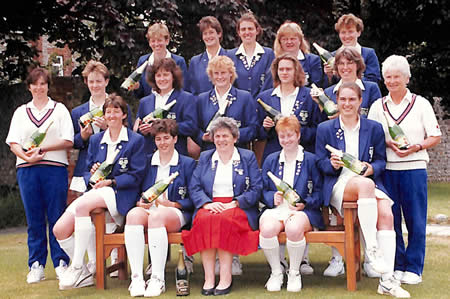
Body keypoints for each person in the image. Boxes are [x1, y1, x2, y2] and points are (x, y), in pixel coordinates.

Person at [316, 82, 410, 298]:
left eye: (352, 99)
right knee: (365, 185)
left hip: (366, 182)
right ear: (336, 102)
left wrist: (370, 168)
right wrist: (332, 164)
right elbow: (320, 164)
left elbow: (380, 162)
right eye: (342, 99)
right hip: (340, 184)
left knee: (386, 213)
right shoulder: (325, 129)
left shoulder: (374, 128)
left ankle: (387, 282)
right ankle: (372, 249)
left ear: (360, 102)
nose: (347, 103)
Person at [54, 94, 147, 290]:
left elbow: (137, 176)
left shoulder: (135, 140)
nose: (111, 115)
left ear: (123, 115)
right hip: (97, 192)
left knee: (84, 206)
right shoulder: (96, 139)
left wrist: (111, 180)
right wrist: (94, 172)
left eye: (115, 111)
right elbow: (87, 171)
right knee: (59, 229)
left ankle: (78, 266)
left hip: (120, 193)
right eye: (108, 112)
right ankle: (86, 275)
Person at [368, 55, 441, 285]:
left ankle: (414, 267)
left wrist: (416, 146)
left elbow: (436, 136)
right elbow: (371, 136)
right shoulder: (378, 106)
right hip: (387, 169)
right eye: (387, 77)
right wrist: (388, 144)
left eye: (396, 76)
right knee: (390, 219)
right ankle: (397, 264)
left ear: (407, 78)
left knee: (415, 219)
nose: (391, 81)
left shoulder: (421, 103)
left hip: (414, 168)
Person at [6, 67, 74, 284]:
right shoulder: (20, 112)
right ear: (29, 86)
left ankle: (61, 262)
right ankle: (36, 264)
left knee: (57, 216)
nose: (39, 88)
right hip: (27, 170)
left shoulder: (59, 109)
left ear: (48, 86)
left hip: (54, 168)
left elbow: (68, 141)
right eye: (35, 84)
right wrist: (27, 158)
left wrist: (43, 149)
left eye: (43, 83)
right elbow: (13, 142)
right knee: (34, 218)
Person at [182, 117, 262, 296]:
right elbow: (194, 186)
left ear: (234, 138)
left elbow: (256, 188)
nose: (220, 140)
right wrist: (207, 203)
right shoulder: (205, 157)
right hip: (210, 205)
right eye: (217, 136)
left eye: (225, 135)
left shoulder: (246, 157)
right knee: (204, 219)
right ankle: (209, 278)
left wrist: (236, 202)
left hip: (238, 206)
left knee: (224, 220)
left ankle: (225, 277)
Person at [124, 119, 196, 297]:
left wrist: (173, 204)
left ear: (175, 139)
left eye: (166, 138)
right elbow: (136, 188)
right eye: (158, 139)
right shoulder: (147, 162)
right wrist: (140, 203)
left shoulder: (187, 163)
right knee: (133, 215)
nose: (162, 143)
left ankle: (157, 278)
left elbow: (194, 197)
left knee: (156, 217)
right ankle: (137, 278)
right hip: (150, 209)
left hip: (176, 212)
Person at [259, 116, 323, 292]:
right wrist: (272, 197)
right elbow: (263, 189)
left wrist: (305, 203)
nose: (286, 140)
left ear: (298, 135)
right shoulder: (271, 159)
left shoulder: (310, 160)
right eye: (282, 136)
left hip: (304, 212)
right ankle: (276, 272)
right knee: (267, 229)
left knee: (293, 228)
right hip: (277, 210)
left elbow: (320, 192)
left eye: (290, 135)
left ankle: (294, 272)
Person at [257, 54, 321, 160]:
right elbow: (258, 133)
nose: (284, 73)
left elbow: (318, 130)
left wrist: (295, 130)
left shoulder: (310, 96)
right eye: (281, 69)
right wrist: (265, 128)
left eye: (288, 69)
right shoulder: (265, 97)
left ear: (296, 71)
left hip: (304, 156)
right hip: (274, 156)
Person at [134, 58, 197, 158]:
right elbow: (138, 129)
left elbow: (191, 127)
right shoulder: (145, 102)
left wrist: (163, 126)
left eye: (166, 74)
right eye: (158, 75)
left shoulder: (186, 98)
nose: (162, 79)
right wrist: (143, 130)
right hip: (150, 156)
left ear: (173, 76)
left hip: (177, 155)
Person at [196, 55, 258, 152]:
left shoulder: (245, 97)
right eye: (216, 73)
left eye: (223, 73)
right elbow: (195, 128)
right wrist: (203, 137)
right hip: (211, 152)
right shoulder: (202, 99)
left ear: (230, 74)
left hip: (238, 152)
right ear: (211, 75)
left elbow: (253, 129)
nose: (220, 77)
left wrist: (232, 136)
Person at [133, 22, 188, 98]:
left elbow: (183, 89)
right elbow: (140, 94)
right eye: (153, 41)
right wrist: (136, 87)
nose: (156, 44)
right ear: (149, 43)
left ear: (167, 41)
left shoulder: (178, 61)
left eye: (159, 40)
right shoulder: (142, 61)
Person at [323, 13, 381, 86]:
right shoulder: (332, 56)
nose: (347, 36)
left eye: (350, 32)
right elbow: (328, 87)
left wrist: (350, 79)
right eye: (343, 32)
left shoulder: (368, 53)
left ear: (358, 32)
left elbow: (374, 80)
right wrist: (329, 76)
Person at [228, 12, 275, 98]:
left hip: (262, 105)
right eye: (243, 29)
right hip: (238, 106)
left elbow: (269, 82)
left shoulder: (268, 54)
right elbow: (229, 84)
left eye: (250, 29)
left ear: (257, 31)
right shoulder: (230, 55)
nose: (247, 32)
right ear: (239, 32)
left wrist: (258, 102)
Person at [273, 21, 324, 88]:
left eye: (293, 39)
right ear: (280, 42)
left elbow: (317, 85)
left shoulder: (313, 60)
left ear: (300, 40)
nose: (289, 42)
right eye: (285, 39)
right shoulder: (273, 60)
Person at [187, 16, 229, 96]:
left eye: (211, 32)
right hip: (202, 107)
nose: (208, 36)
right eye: (205, 34)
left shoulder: (230, 57)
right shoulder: (195, 62)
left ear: (219, 34)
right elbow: (192, 91)